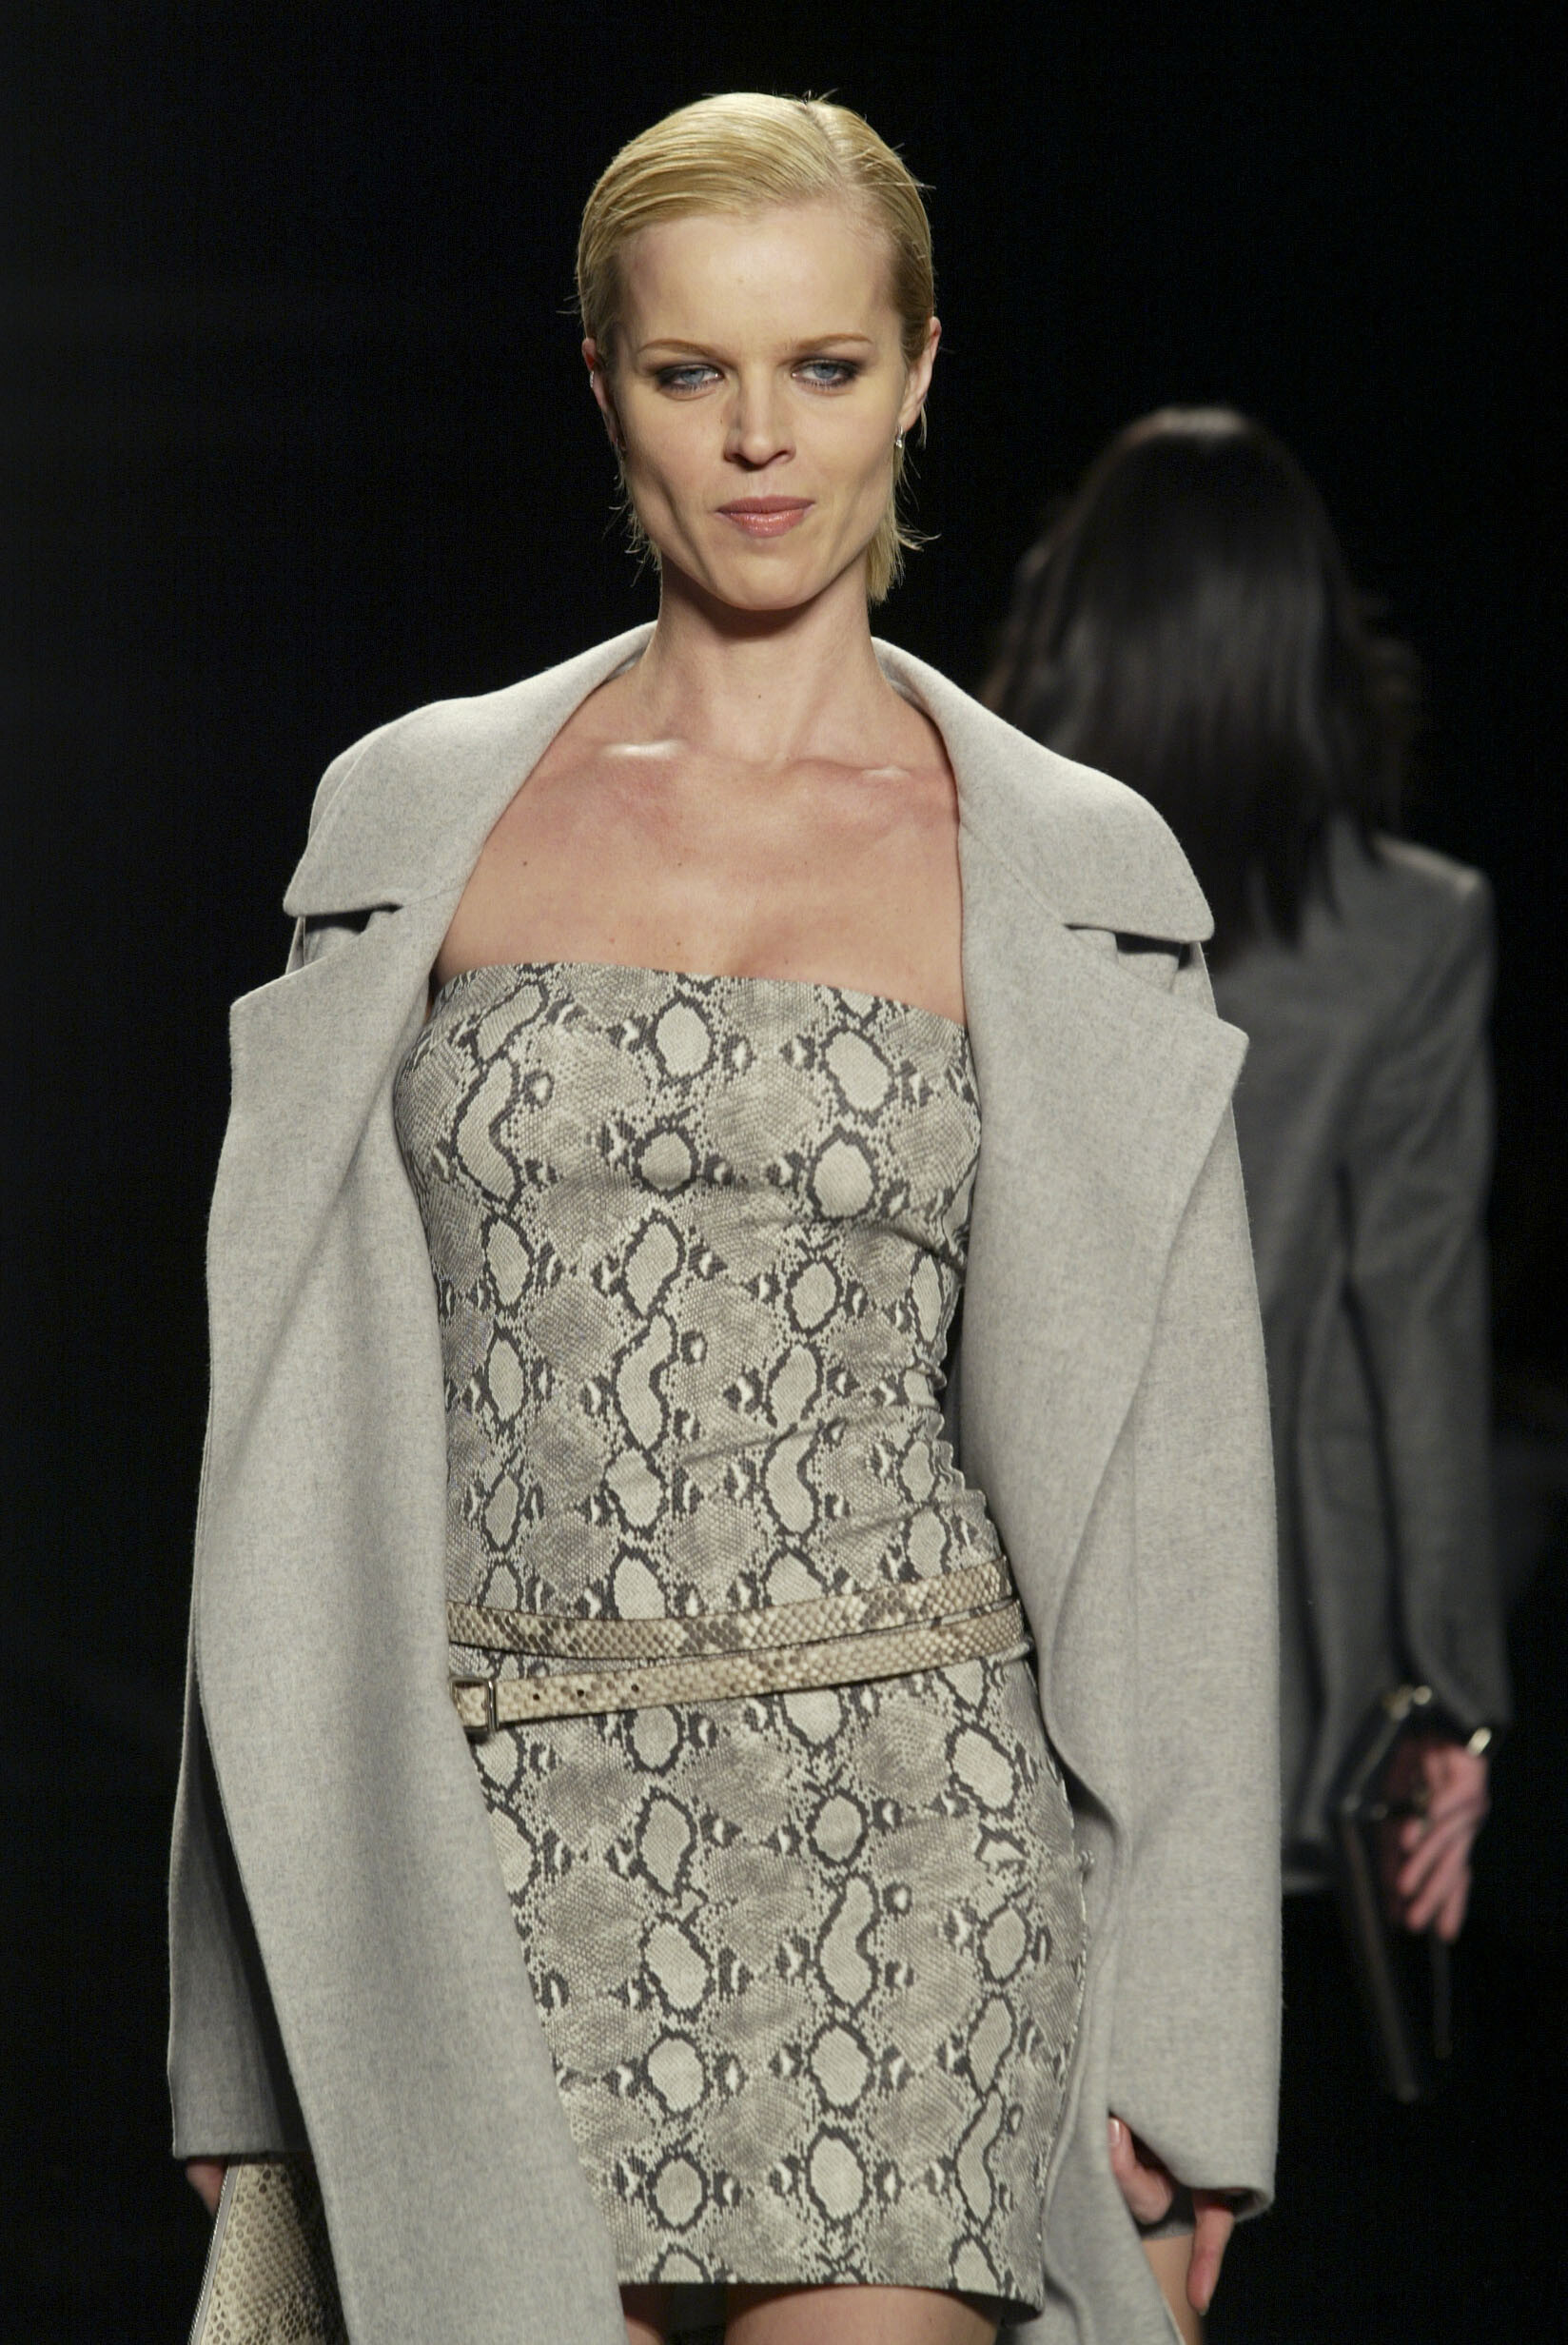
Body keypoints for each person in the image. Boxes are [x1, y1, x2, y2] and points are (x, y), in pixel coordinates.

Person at [169, 106, 1280, 2345]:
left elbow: (1175, 1485)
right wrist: (232, 2012)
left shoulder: (1066, 865)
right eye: (693, 372)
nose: (761, 440)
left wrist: (1191, 2054)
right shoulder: (410, 813)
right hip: (469, 1844)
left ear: (918, 370)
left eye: (823, 366)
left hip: (916, 1836)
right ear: (604, 383)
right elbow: (278, 1429)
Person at [987, 407, 1511, 2316]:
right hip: (1260, 1641)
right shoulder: (1411, 929)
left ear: (1072, 623)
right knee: (1176, 2171)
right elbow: (1411, 1329)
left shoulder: (971, 883)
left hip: (982, 1578)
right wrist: (1446, 1700)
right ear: (1312, 638)